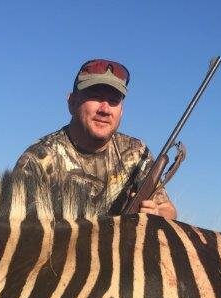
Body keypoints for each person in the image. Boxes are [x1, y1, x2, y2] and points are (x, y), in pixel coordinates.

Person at [13, 58, 177, 219]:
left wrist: (158, 213)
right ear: (72, 103)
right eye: (96, 97)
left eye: (114, 100)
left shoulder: (137, 153)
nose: (105, 109)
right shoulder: (38, 159)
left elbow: (168, 210)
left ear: (121, 111)